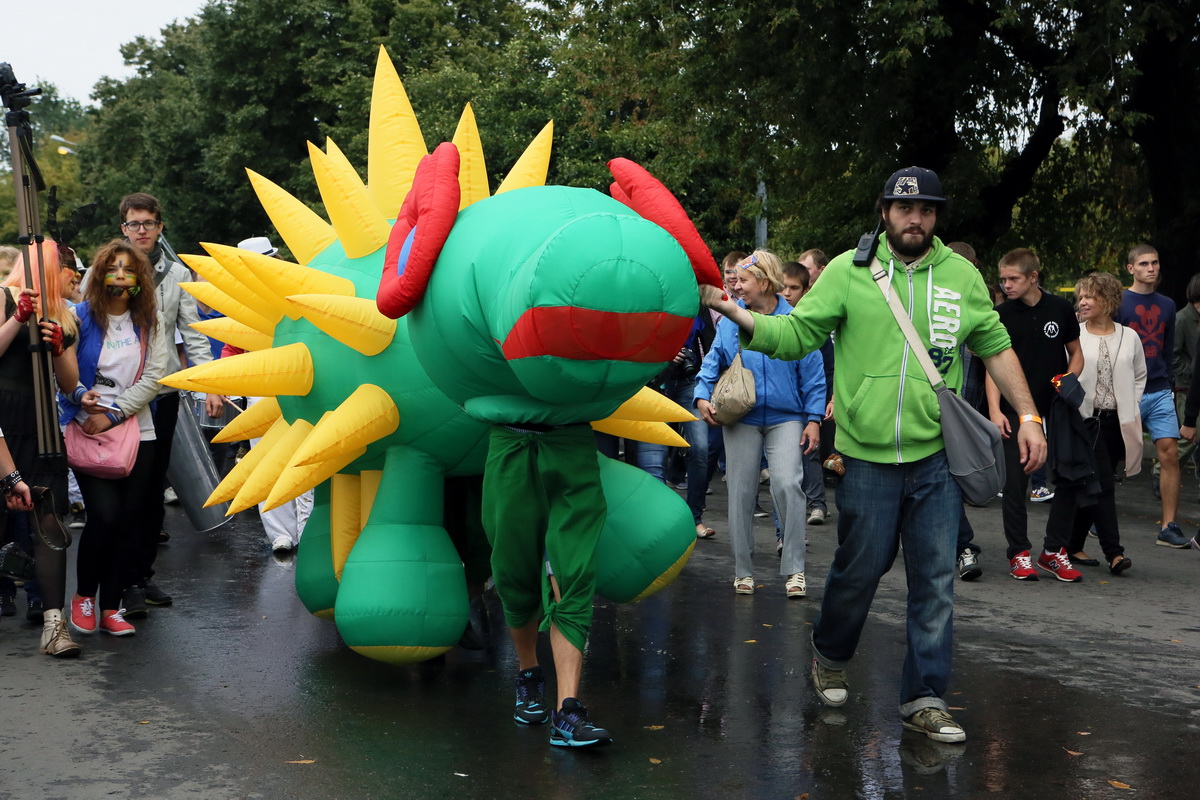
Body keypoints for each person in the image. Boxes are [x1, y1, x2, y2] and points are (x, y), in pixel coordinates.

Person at [701, 166, 1047, 744]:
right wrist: (744, 319)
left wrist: (1030, 414)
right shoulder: (847, 271)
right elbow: (798, 337)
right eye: (906, 209)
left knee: (935, 581)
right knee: (860, 571)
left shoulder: (960, 275)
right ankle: (830, 653)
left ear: (937, 217)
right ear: (885, 212)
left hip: (936, 456)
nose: (917, 219)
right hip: (866, 458)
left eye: (928, 211)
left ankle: (924, 697)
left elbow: (994, 344)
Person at [695, 251, 825, 598]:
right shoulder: (731, 320)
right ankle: (743, 572)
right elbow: (712, 363)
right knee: (739, 492)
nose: (736, 286)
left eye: (743, 280)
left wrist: (813, 419)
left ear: (764, 283)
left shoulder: (797, 320)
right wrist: (701, 396)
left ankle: (795, 571)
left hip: (787, 417)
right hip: (741, 418)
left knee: (787, 485)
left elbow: (813, 374)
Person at [115, 193, 219, 613]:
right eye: (133, 223)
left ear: (160, 227)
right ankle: (123, 582)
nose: (141, 230)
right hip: (121, 398)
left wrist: (212, 384)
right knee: (129, 490)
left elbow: (194, 335)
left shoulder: (177, 274)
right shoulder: (109, 271)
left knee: (154, 491)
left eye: (148, 223)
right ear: (123, 229)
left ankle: (142, 576)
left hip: (164, 396)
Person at [61, 240, 168, 637]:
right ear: (101, 273)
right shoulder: (79, 316)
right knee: (103, 518)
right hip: (88, 432)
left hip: (137, 432)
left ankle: (111, 606)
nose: (121, 275)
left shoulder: (150, 321)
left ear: (140, 278)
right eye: (113, 268)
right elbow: (63, 373)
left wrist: (115, 414)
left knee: (128, 521)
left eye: (128, 269)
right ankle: (84, 596)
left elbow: (154, 377)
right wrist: (79, 399)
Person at [0, 241, 83, 656]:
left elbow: (69, 383)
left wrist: (58, 348)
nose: (73, 275)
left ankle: (54, 626)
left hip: (43, 426)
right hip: (3, 418)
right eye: (67, 268)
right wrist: (18, 319)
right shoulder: (3, 297)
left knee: (48, 522)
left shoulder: (65, 315)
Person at [985, 248, 1084, 582]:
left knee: (1068, 478)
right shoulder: (1001, 314)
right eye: (1004, 279)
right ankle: (1019, 553)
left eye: (1013, 278)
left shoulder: (1059, 308)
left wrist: (1067, 380)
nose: (1007, 284)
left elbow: (1076, 354)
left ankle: (1054, 551)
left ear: (1033, 277)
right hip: (1016, 411)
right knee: (1017, 484)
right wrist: (996, 409)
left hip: (1056, 409)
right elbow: (992, 365)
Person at [1063, 272, 1143, 574]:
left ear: (1108, 300)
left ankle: (1072, 544)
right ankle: (1115, 553)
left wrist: (1131, 405)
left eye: (1089, 296)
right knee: (1103, 486)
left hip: (1114, 423)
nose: (1082, 301)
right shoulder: (1075, 335)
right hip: (1084, 420)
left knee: (1092, 484)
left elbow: (1139, 376)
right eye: (1080, 296)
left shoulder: (1129, 336)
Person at [1116, 245, 1189, 547]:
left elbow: (1168, 346)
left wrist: (1169, 383)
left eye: (1155, 262)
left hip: (1159, 388)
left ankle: (1168, 525)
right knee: (1112, 456)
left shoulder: (1169, 305)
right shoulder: (1119, 300)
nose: (1151, 268)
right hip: (1124, 388)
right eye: (1144, 263)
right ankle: (1097, 516)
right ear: (1130, 268)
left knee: (1169, 452)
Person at [781, 260, 830, 526]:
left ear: (805, 290)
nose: (787, 293)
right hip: (783, 402)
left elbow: (826, 368)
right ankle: (789, 514)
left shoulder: (813, 323)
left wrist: (824, 403)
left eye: (793, 288)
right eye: (783, 287)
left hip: (807, 400)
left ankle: (817, 504)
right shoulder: (772, 319)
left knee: (809, 452)